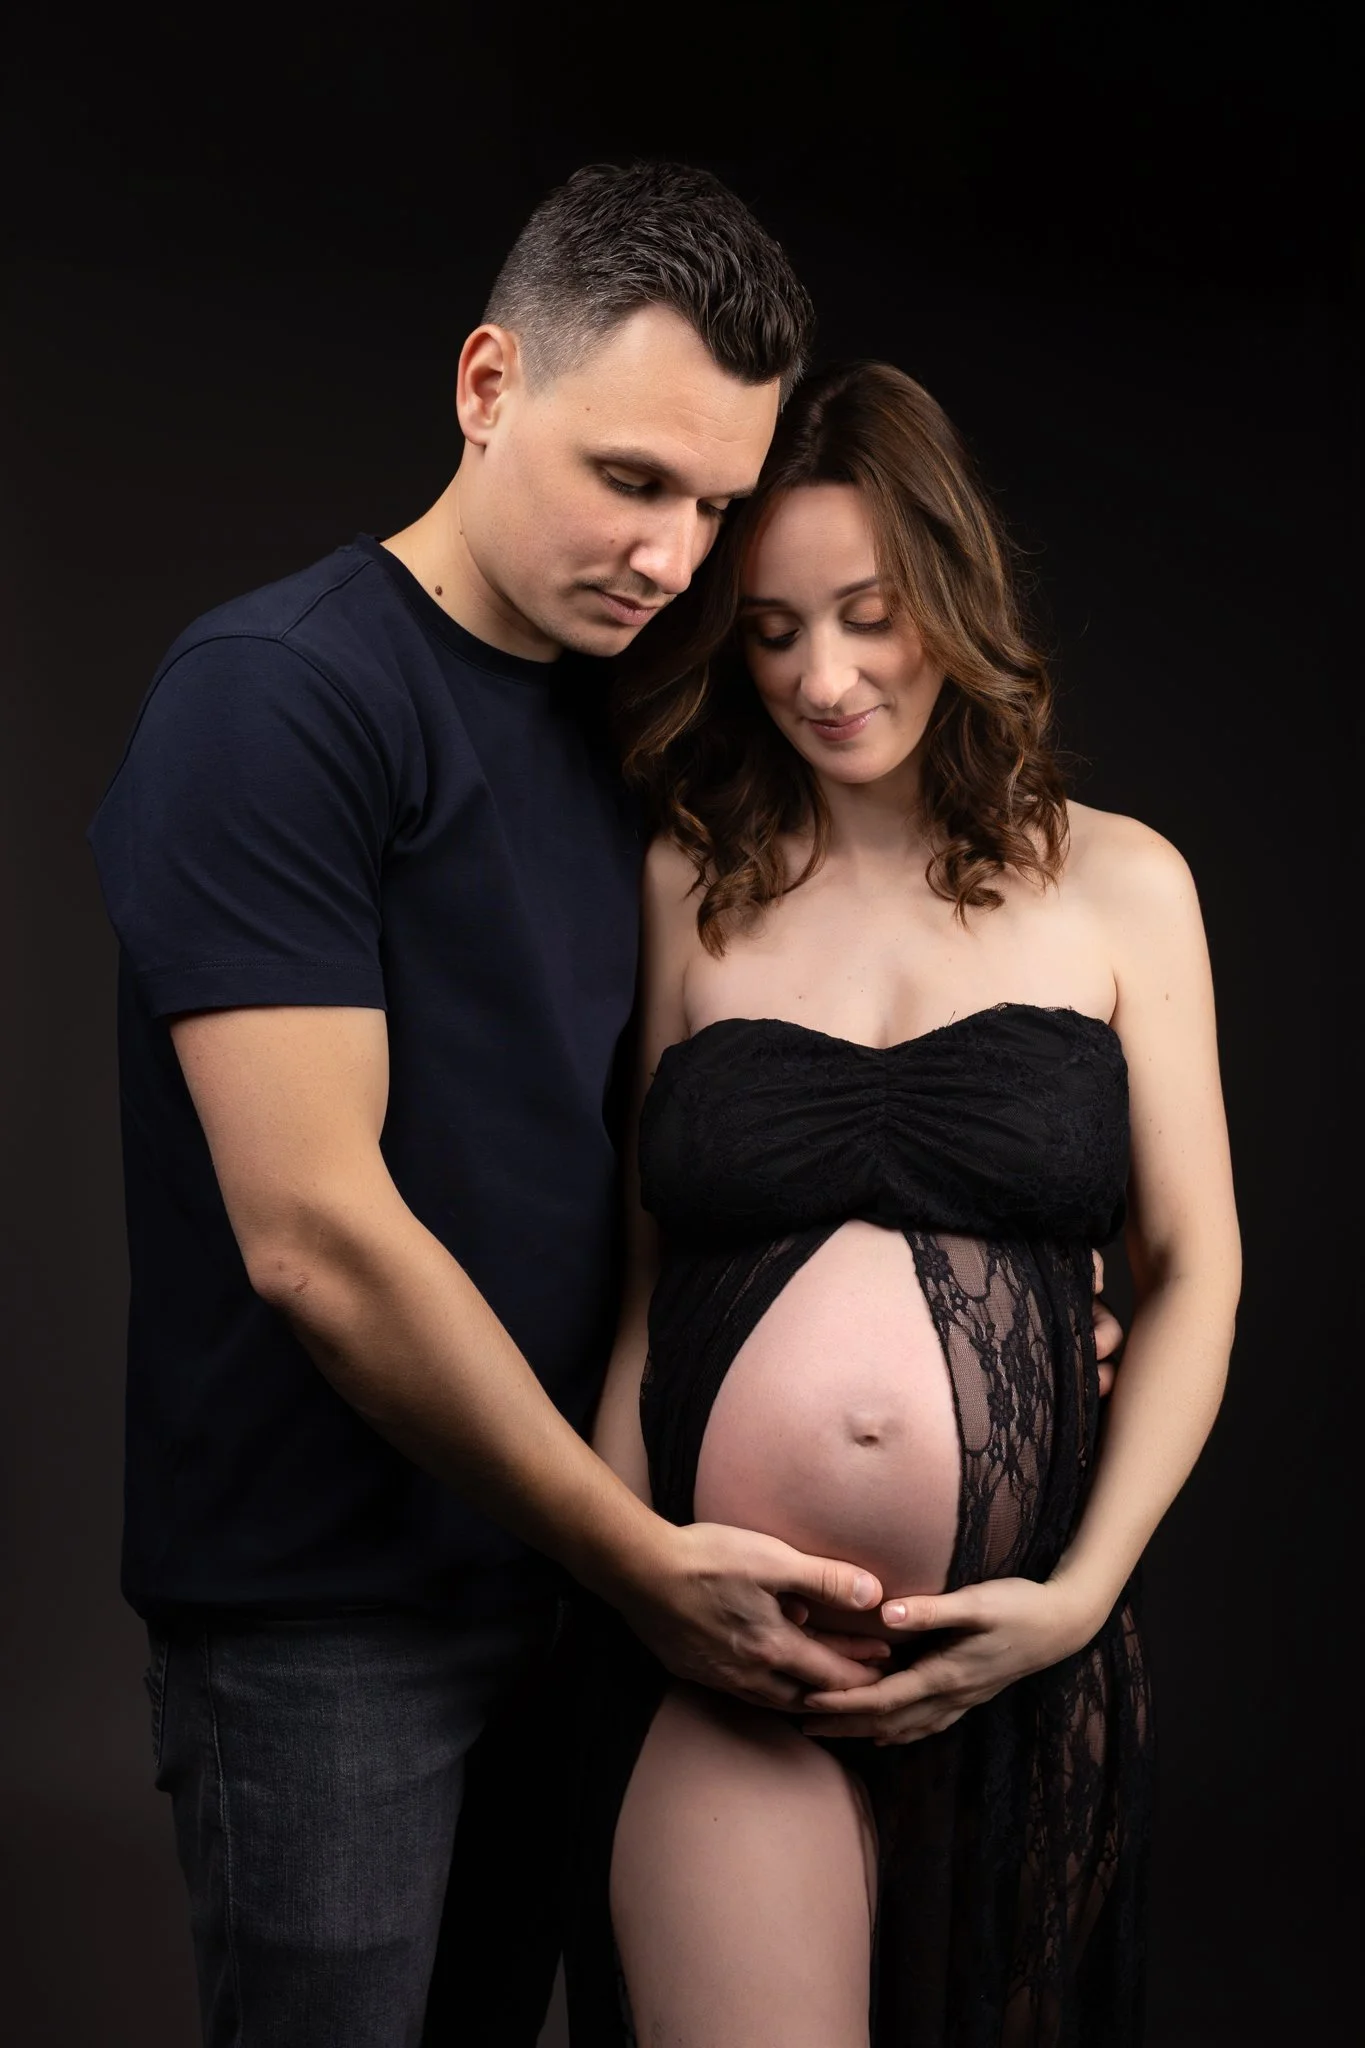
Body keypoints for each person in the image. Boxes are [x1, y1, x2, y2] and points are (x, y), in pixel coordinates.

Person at [88, 162, 1119, 2045]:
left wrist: (1025, 1304)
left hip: (572, 1607)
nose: (671, 555)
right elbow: (315, 1234)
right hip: (339, 1619)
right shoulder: (279, 700)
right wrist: (637, 1557)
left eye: (713, 505)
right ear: (487, 387)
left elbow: (719, 1137)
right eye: (632, 480)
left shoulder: (624, 723)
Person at [572, 360, 1241, 2046]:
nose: (825, 676)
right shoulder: (685, 882)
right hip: (735, 1670)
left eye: (870, 615)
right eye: (775, 629)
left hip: (1020, 1668)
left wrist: (1078, 1597)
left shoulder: (1124, 885)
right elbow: (649, 1286)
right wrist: (633, 1571)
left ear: (953, 590)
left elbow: (1195, 1273)